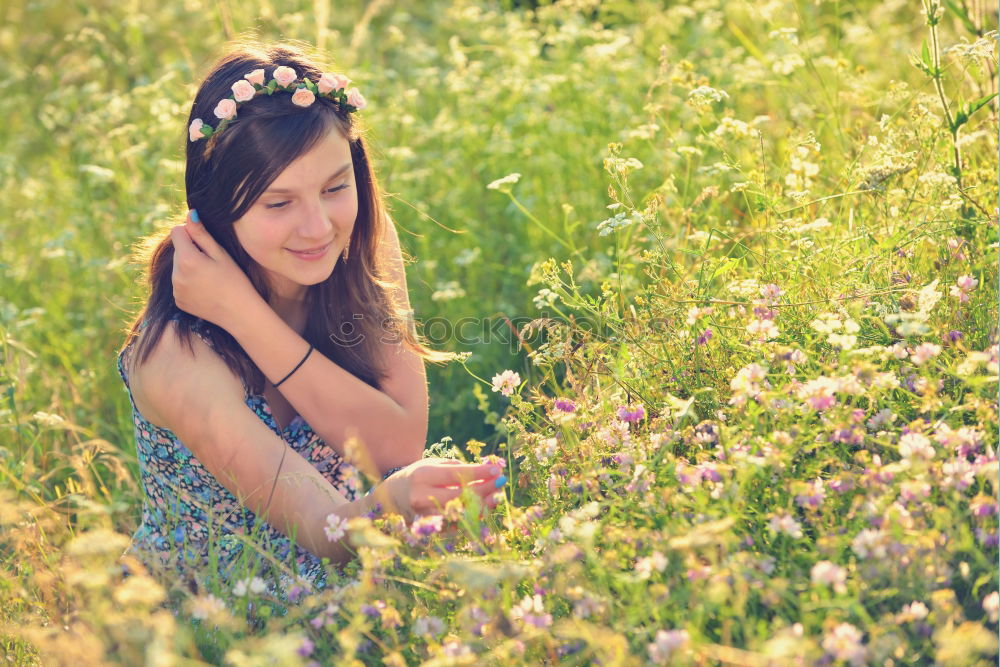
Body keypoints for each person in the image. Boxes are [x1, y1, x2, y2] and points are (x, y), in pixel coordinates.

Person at [115, 42, 504, 602]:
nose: (319, 226)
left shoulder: (361, 245)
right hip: (204, 621)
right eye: (279, 203)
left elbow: (396, 445)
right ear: (216, 209)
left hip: (342, 596)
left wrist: (247, 316)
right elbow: (323, 528)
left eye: (335, 187)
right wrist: (241, 317)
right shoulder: (175, 353)